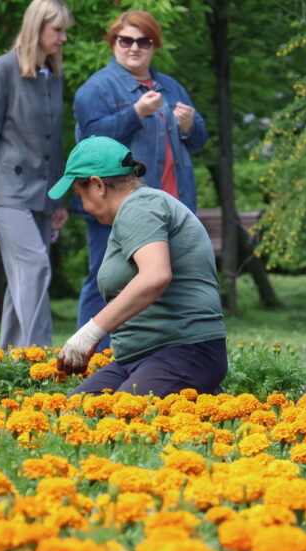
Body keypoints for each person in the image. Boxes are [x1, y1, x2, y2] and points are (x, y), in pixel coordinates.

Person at [72, 10, 208, 352]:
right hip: (115, 209)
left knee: (166, 284)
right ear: (113, 43)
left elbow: (199, 141)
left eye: (144, 41)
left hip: (171, 206)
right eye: (126, 40)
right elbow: (90, 143)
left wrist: (190, 126)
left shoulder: (171, 86)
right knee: (105, 281)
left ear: (154, 45)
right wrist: (136, 113)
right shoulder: (96, 89)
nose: (134, 48)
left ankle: (161, 353)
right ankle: (91, 355)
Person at [48, 136, 226, 397]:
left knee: (117, 418)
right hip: (138, 358)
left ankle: (202, 400)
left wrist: (91, 332)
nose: (83, 206)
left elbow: (155, 276)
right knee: (73, 413)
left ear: (97, 185)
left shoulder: (139, 207)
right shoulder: (135, 211)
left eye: (79, 195)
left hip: (184, 350)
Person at [0, 0, 72, 349]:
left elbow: (54, 142)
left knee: (22, 280)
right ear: (36, 27)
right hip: (5, 192)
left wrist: (59, 198)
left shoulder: (53, 76)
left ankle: (11, 362)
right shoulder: (1, 70)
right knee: (35, 267)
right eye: (58, 30)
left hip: (43, 194)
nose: (63, 38)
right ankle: (41, 357)